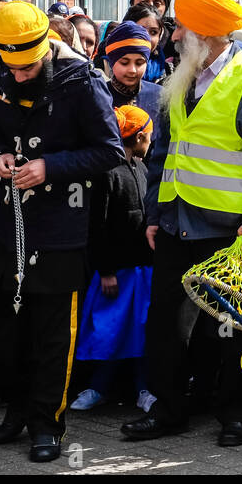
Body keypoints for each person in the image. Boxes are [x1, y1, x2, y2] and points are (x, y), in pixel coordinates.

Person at [121, 0, 242, 449]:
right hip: (177, 224)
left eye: (181, 27)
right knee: (167, 324)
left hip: (231, 232)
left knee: (234, 328)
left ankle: (236, 414)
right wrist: (155, 214)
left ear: (206, 34)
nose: (173, 36)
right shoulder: (183, 78)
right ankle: (170, 408)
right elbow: (164, 155)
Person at [0, 2, 123, 463]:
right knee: (4, 331)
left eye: (28, 67)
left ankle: (47, 422)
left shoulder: (81, 82)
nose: (18, 77)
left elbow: (110, 150)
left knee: (53, 335)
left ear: (45, 50)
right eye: (10, 67)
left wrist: (50, 167)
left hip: (59, 227)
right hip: (6, 224)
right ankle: (16, 410)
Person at [70, 105, 155, 413]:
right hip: (116, 274)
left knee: (141, 331)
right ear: (141, 136)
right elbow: (98, 226)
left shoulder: (144, 170)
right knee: (111, 331)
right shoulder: (107, 174)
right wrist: (106, 270)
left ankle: (144, 388)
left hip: (143, 271)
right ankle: (99, 386)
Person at [102, 21, 163, 139]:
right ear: (112, 62)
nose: (132, 70)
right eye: (124, 63)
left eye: (139, 63)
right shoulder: (99, 95)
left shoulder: (161, 96)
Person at [122, 3, 172, 83]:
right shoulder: (107, 67)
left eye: (153, 32)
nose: (147, 37)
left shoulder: (169, 72)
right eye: (140, 30)